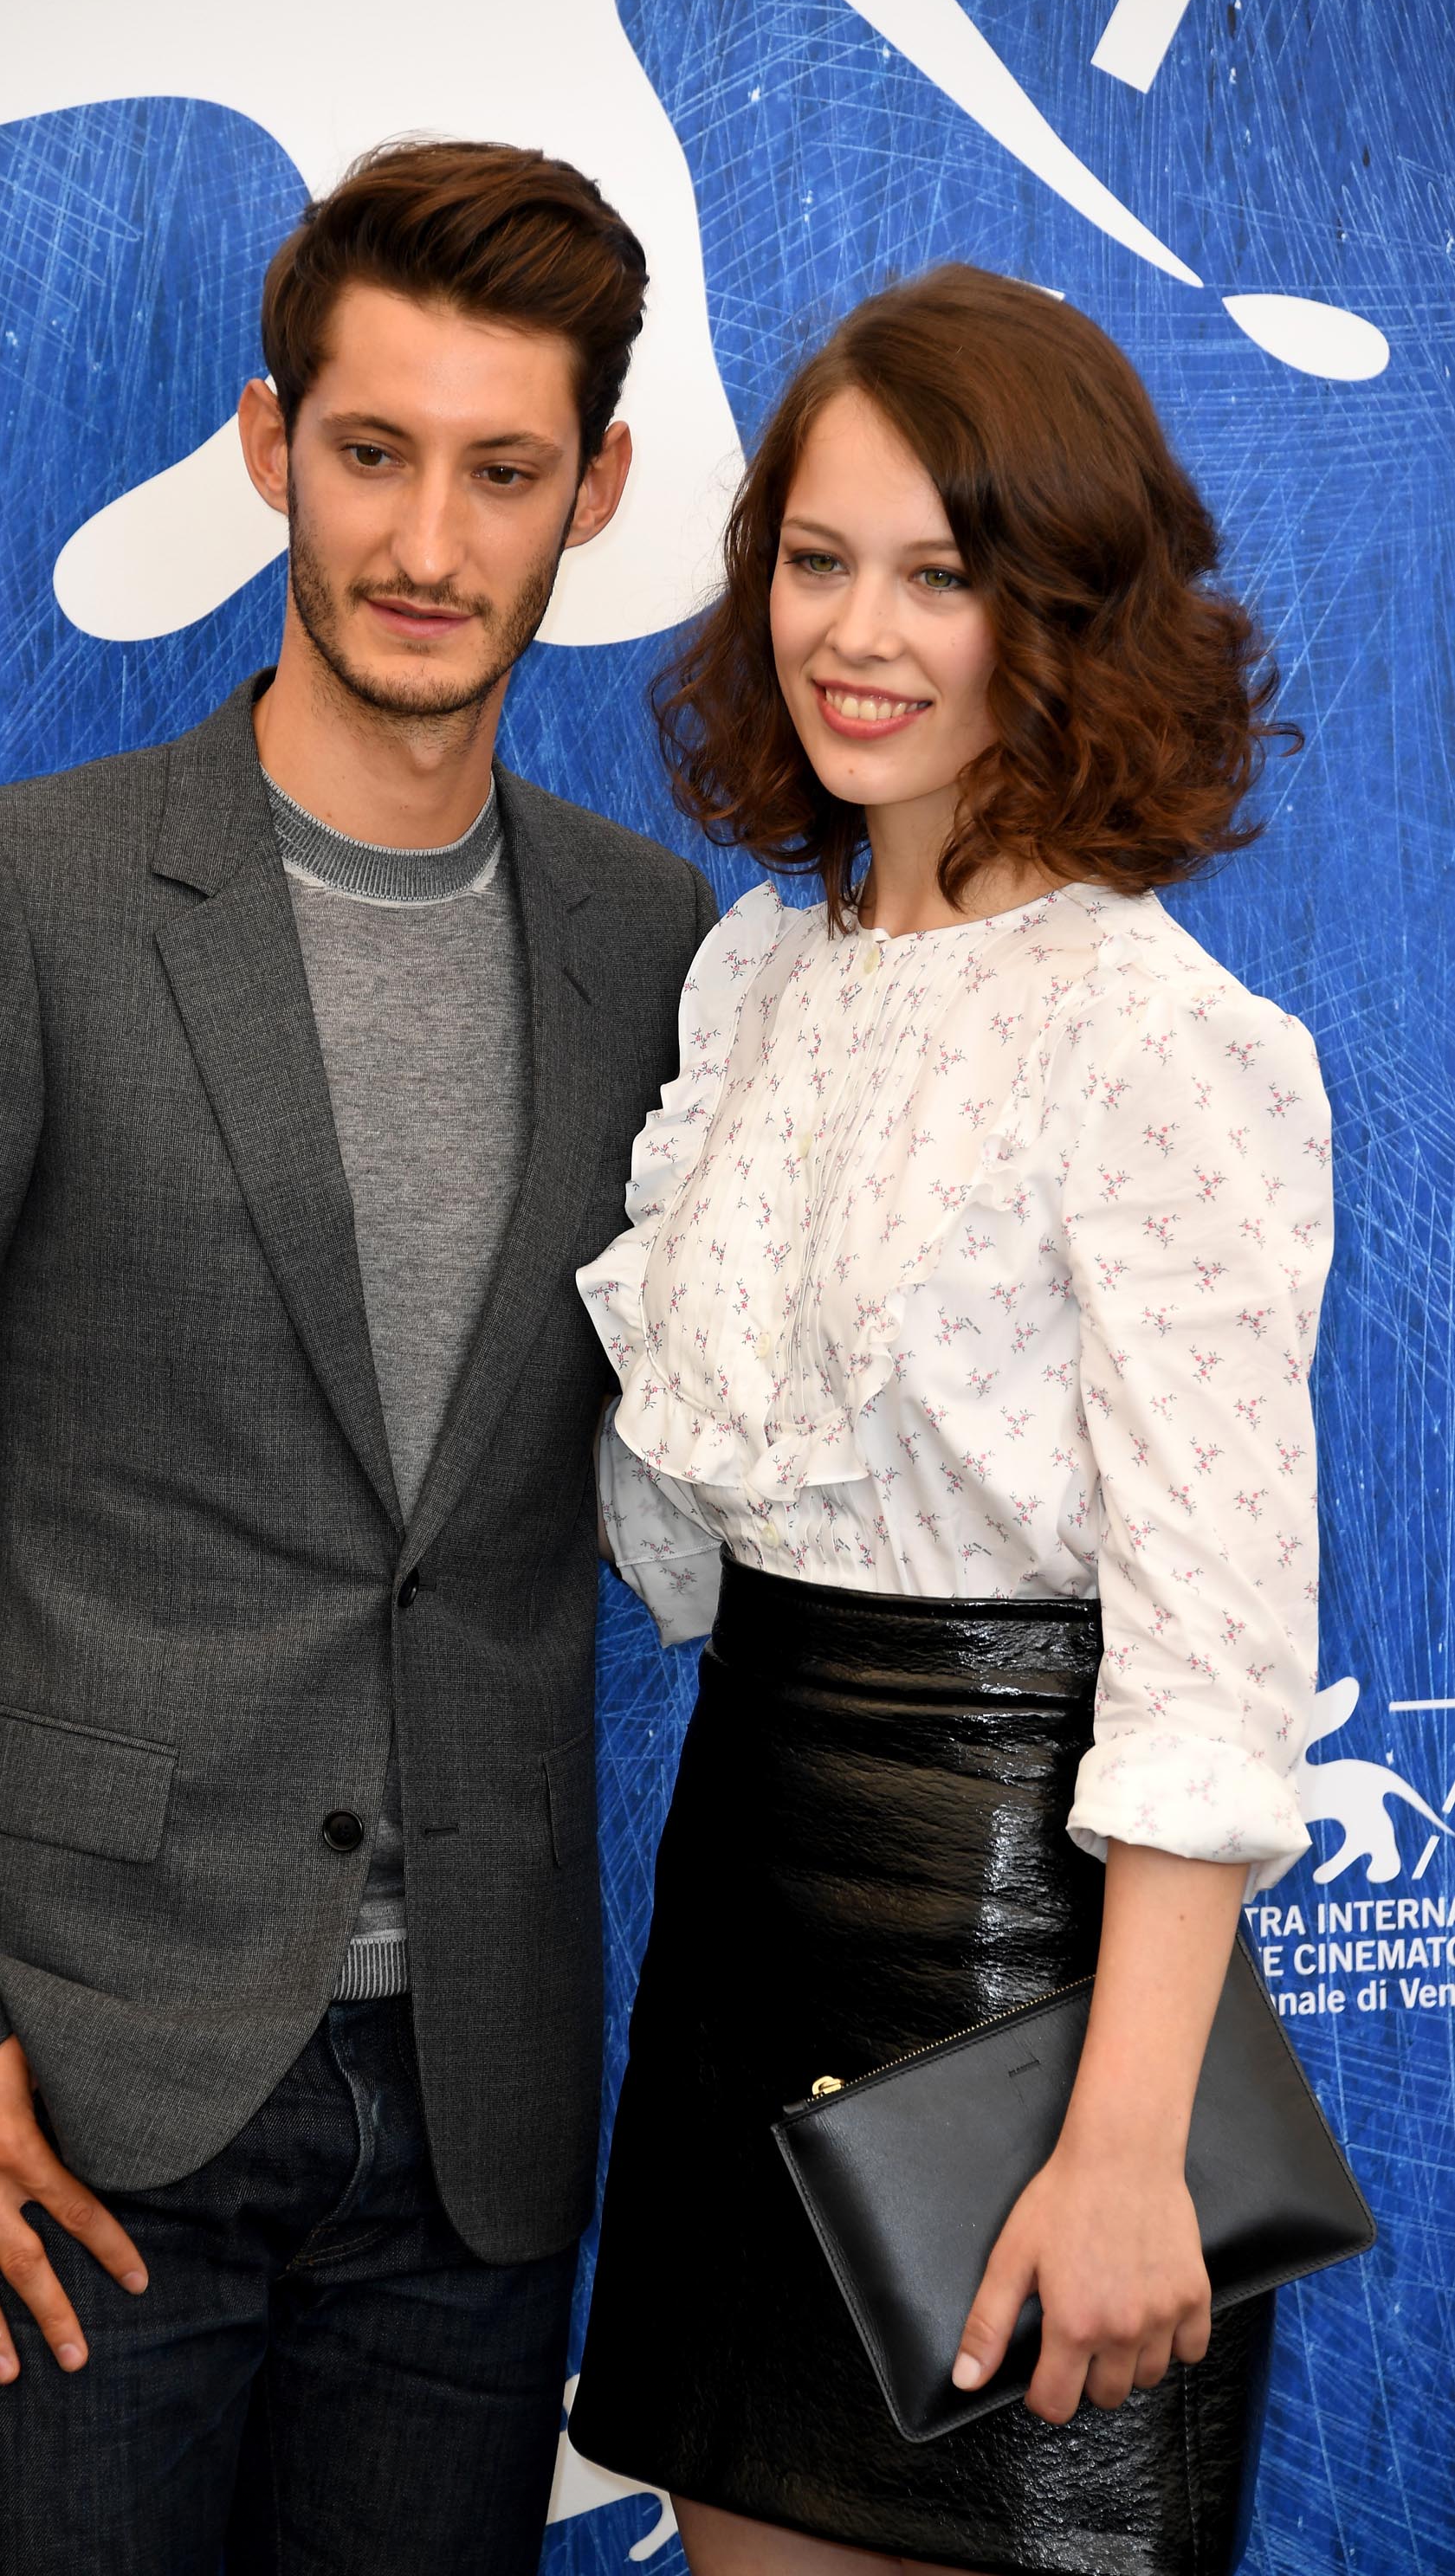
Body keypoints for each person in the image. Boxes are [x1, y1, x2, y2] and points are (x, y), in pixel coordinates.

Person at [0, 139, 717, 2575]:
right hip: (64, 2105)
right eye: (371, 452)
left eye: (499, 472)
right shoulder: (14, 900)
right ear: (271, 447)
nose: (423, 539)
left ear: (591, 494)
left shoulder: (653, 944)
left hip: (478, 2123)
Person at [568, 264, 1331, 2576]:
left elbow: (1206, 1656)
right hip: (738, 1932)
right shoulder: (750, 972)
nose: (859, 633)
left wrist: (1122, 2143)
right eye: (816, 561)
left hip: (1027, 1975)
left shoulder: (1157, 1033)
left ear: (1064, 616)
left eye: (944, 575)